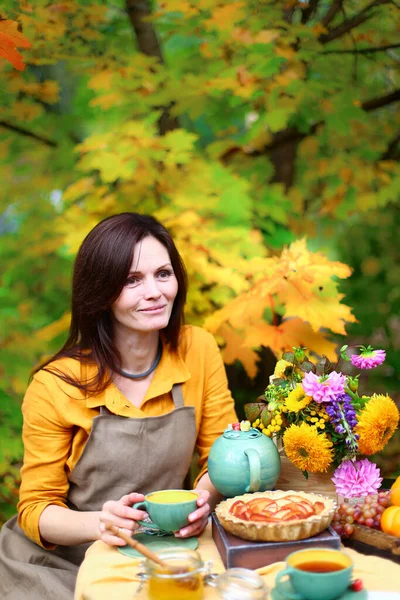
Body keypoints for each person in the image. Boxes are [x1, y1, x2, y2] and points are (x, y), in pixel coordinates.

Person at [0, 212, 237, 599]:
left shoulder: (198, 350)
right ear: (100, 293)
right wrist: (100, 523)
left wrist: (202, 502)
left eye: (163, 273)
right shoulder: (55, 385)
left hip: (166, 550)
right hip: (67, 562)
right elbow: (36, 510)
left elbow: (220, 458)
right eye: (131, 280)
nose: (155, 292)